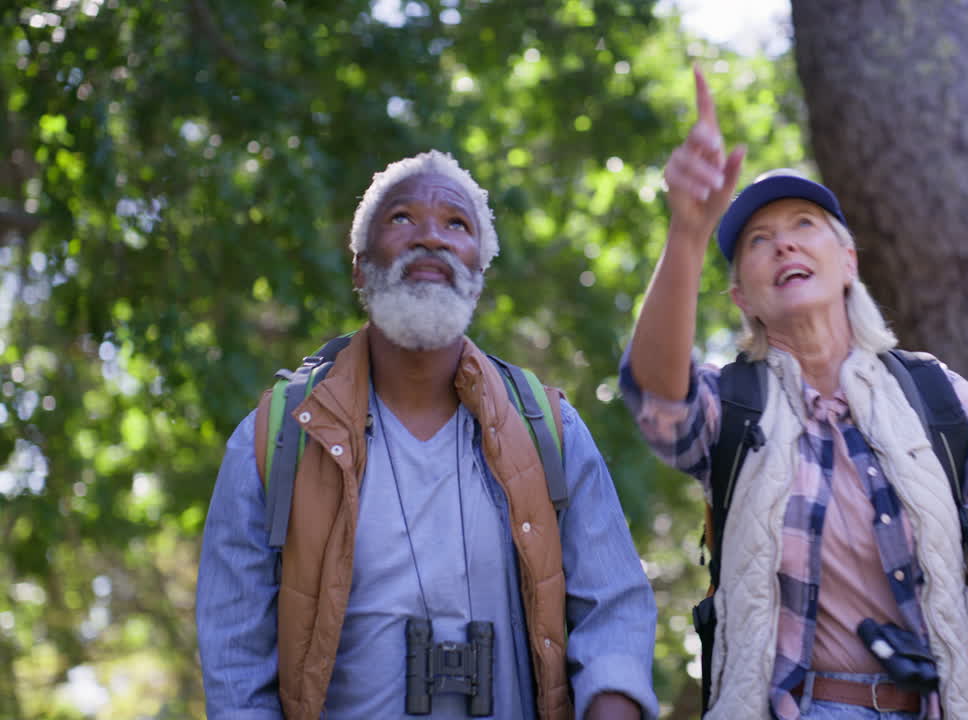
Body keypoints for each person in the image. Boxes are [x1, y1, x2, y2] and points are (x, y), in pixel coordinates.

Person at [619, 67, 968, 720]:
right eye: (758, 242)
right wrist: (686, 231)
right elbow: (658, 399)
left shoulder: (936, 393)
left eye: (804, 224)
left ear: (848, 261)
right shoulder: (734, 403)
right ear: (744, 301)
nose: (783, 241)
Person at [196, 151, 658, 720]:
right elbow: (236, 670)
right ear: (360, 267)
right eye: (402, 219)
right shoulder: (276, 439)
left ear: (479, 275)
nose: (432, 238)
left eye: (456, 224)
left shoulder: (550, 429)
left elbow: (613, 610)